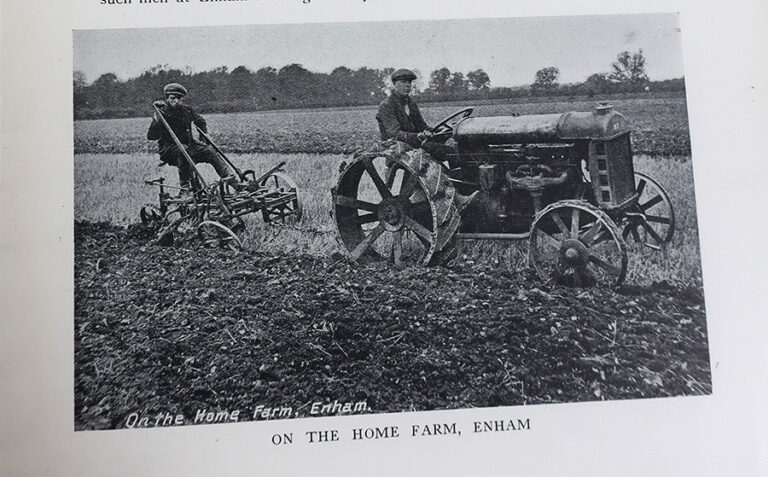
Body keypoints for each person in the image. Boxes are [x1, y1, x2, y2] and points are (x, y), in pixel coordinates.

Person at [147, 83, 233, 191]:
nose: (176, 101)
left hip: (189, 144)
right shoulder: (162, 112)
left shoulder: (187, 110)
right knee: (184, 151)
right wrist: (156, 119)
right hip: (168, 149)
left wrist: (204, 135)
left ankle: (231, 180)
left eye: (179, 99)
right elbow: (151, 136)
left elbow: (200, 121)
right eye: (173, 98)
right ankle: (185, 187)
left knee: (210, 151)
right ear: (167, 98)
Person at [376, 69, 453, 162]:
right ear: (395, 84)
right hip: (394, 145)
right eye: (403, 82)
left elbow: (422, 126)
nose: (408, 85)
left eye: (410, 82)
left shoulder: (411, 103)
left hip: (413, 143)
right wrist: (417, 136)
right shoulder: (387, 105)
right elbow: (394, 134)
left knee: (451, 150)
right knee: (448, 152)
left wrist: (440, 130)